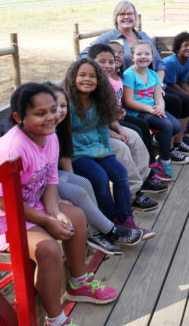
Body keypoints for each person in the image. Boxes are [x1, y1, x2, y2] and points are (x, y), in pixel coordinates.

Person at [0, 83, 118, 326]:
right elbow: (1, 200)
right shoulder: (11, 148)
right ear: (19, 117)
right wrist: (46, 221)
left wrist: (54, 213)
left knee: (75, 216)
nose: (51, 117)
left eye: (53, 110)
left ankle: (78, 283)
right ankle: (55, 319)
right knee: (47, 249)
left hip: (22, 204)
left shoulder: (49, 136)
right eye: (40, 113)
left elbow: (50, 179)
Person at [82, 0, 189, 155]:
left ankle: (175, 142)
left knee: (182, 100)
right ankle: (165, 146)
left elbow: (159, 64)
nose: (126, 17)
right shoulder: (109, 37)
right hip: (130, 89)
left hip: (151, 83)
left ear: (135, 16)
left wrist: (159, 86)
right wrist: (101, 66)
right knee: (175, 102)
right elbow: (85, 54)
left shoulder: (142, 35)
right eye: (122, 14)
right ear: (116, 17)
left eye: (130, 13)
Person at [45, 82, 143, 255]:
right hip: (46, 181)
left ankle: (114, 225)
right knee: (89, 183)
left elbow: (63, 154)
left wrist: (70, 178)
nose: (58, 112)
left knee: (92, 180)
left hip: (55, 174)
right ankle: (108, 230)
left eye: (62, 106)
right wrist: (59, 196)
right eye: (52, 108)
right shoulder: (48, 130)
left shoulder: (57, 129)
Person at [63, 58, 144, 235]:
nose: (87, 79)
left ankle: (126, 220)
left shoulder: (99, 100)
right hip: (76, 152)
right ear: (72, 78)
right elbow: (63, 135)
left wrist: (108, 153)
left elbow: (102, 129)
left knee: (120, 172)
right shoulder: (68, 103)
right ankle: (111, 222)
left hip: (97, 148)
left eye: (92, 76)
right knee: (100, 178)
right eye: (82, 75)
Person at [88, 43, 166, 209]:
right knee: (123, 148)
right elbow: (92, 120)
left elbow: (108, 113)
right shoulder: (91, 84)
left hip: (108, 125)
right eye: (102, 61)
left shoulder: (104, 83)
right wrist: (115, 133)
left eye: (111, 62)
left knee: (135, 137)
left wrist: (120, 127)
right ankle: (132, 193)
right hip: (95, 135)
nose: (108, 65)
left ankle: (143, 180)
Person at [123, 41, 182, 180]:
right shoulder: (129, 75)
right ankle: (165, 162)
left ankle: (159, 138)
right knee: (166, 125)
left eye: (147, 54)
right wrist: (150, 109)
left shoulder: (154, 75)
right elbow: (128, 101)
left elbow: (158, 96)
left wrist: (160, 107)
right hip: (138, 111)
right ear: (132, 57)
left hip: (153, 109)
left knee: (176, 126)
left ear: (152, 57)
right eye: (139, 54)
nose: (143, 57)